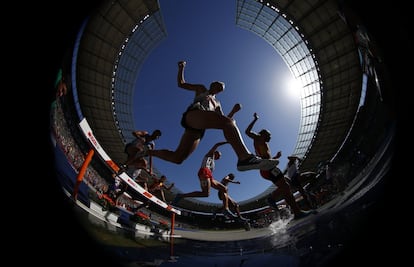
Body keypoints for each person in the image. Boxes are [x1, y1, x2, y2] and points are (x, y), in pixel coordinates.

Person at [142, 60, 278, 172]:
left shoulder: (217, 103)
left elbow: (224, 121)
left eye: (221, 89)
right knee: (228, 122)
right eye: (218, 86)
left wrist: (234, 111)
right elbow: (181, 84)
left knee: (178, 158)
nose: (219, 89)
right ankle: (244, 158)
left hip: (199, 128)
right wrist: (181, 68)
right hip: (193, 115)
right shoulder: (201, 89)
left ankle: (149, 152)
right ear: (213, 84)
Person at [245, 112, 315, 220]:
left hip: (268, 167)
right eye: (269, 134)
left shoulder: (263, 143)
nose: (270, 136)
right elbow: (247, 132)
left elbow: (266, 157)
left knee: (287, 184)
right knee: (286, 187)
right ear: (263, 134)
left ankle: (273, 199)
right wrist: (255, 119)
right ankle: (296, 212)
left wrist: (276, 157)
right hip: (268, 168)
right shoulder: (258, 138)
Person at [172, 141, 237, 218]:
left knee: (224, 189)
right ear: (215, 153)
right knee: (206, 193)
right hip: (204, 172)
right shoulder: (210, 154)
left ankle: (225, 209)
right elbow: (216, 144)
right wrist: (227, 141)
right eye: (219, 155)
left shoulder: (213, 163)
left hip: (210, 175)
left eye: (220, 156)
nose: (220, 157)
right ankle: (181, 196)